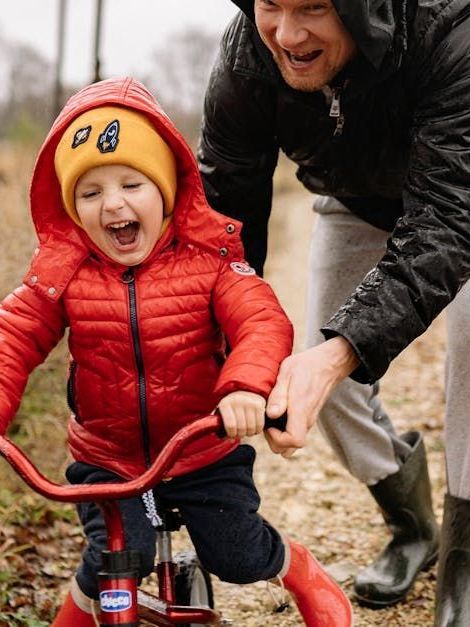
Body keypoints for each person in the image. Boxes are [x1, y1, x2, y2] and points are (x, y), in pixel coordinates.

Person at [0, 76, 353, 627]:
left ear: (165, 188)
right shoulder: (63, 275)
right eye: (90, 194)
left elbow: (262, 321)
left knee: (237, 555)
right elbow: (12, 336)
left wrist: (243, 387)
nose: (112, 204)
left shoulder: (209, 263)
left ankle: (297, 567)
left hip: (201, 450)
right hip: (110, 457)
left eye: (131, 184)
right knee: (115, 558)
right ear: (73, 209)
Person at [197, 0, 470, 623]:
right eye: (271, 5)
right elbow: (226, 225)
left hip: (462, 203)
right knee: (323, 377)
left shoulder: (450, 27)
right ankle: (412, 525)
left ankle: (465, 555)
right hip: (356, 201)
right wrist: (222, 347)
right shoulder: (247, 55)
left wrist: (341, 351)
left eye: (314, 7)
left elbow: (448, 222)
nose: (287, 35)